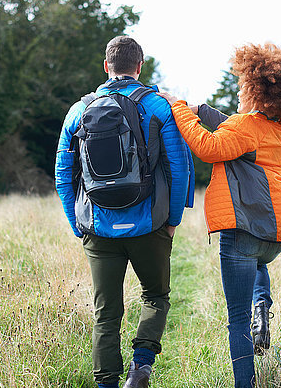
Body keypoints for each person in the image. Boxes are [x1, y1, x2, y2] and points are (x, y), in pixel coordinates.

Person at [159, 42, 281, 388]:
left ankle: (246, 383)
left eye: (244, 87)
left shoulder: (246, 127)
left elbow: (211, 146)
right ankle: (263, 304)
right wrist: (203, 109)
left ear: (254, 92)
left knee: (235, 319)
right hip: (274, 232)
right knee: (259, 265)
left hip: (243, 231)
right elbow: (239, 131)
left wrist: (179, 107)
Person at [55, 36, 195, 388]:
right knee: (156, 296)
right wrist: (173, 220)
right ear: (139, 66)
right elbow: (179, 169)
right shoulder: (159, 107)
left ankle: (106, 384)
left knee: (106, 314)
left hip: (98, 230)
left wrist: (78, 225)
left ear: (106, 66)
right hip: (150, 226)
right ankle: (142, 366)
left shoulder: (78, 110)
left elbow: (62, 174)